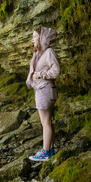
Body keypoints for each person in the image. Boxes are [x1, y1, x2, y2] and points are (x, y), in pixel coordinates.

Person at [26, 26, 60, 161]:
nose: (32, 39)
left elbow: (56, 71)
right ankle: (50, 150)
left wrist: (39, 74)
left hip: (45, 89)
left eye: (35, 37)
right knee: (47, 122)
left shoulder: (49, 52)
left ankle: (45, 152)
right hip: (42, 89)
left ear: (42, 38)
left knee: (45, 123)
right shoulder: (39, 53)